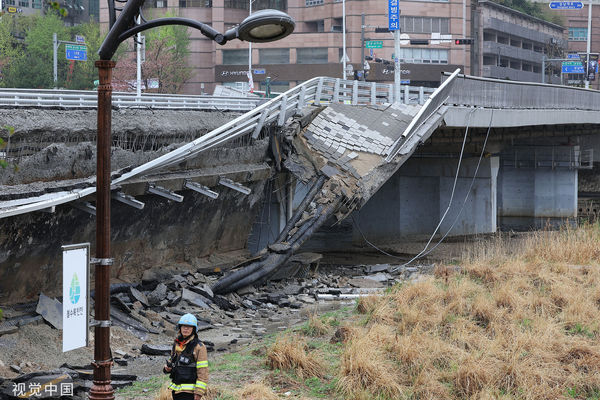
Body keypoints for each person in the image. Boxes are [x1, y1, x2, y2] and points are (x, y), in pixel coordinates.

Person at [163, 313, 208, 400]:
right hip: (176, 389)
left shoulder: (199, 347)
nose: (186, 328)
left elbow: (203, 371)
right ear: (180, 328)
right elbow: (172, 362)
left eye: (189, 326)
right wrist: (167, 368)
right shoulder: (177, 344)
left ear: (194, 329)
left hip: (190, 393)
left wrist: (199, 392)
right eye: (183, 326)